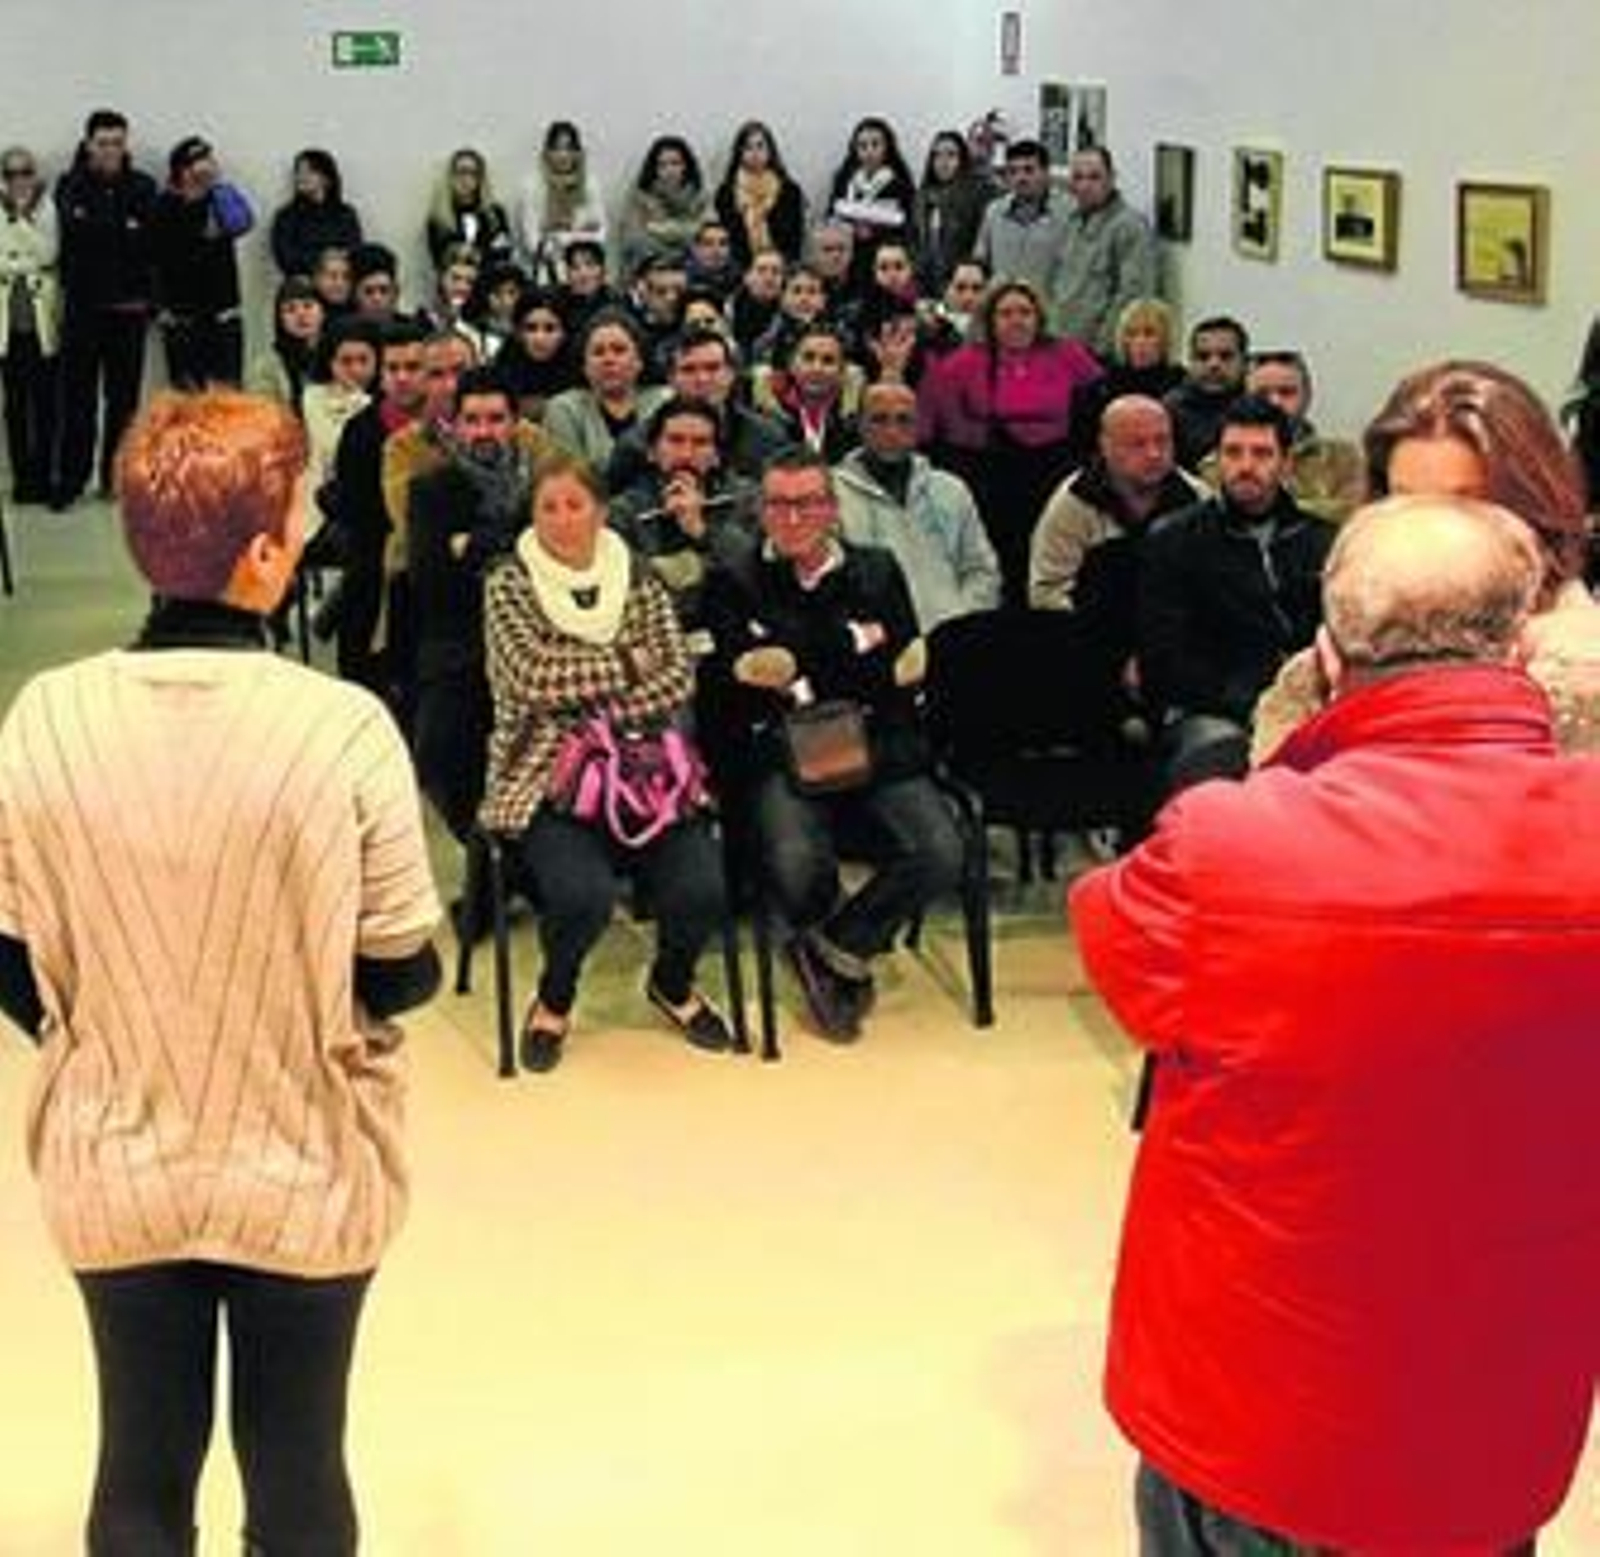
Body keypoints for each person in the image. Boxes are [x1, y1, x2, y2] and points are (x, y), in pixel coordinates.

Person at [1070, 494, 1600, 1557]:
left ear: (1322, 654)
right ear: (1523, 645)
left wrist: (1292, 755)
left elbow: (1110, 941)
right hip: (1488, 1421)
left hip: (1247, 1421)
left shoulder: (1228, 843)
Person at [0, 388, 441, 1556]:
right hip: (304, 1160)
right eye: (296, 512)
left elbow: (10, 962)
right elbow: (403, 972)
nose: (306, 528)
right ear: (261, 557)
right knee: (299, 1469)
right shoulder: (342, 727)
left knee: (138, 1474)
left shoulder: (44, 718)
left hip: (113, 1163)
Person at [480, 453, 734, 1072]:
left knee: (702, 886)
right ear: (532, 514)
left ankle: (671, 984)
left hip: (647, 766)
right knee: (581, 897)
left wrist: (590, 690)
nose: (564, 520)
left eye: (576, 505)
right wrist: (627, 665)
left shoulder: (638, 576)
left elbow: (675, 676)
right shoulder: (508, 583)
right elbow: (532, 677)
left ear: (599, 511)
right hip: (545, 772)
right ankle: (556, 996)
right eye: (549, 507)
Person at [700, 448, 964, 1042]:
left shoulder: (877, 569)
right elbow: (726, 688)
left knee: (941, 850)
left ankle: (836, 948)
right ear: (760, 511)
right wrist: (850, 645)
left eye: (807, 503)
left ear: (832, 508)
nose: (792, 518)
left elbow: (900, 669)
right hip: (779, 748)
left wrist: (798, 664)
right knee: (795, 863)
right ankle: (833, 949)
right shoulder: (731, 582)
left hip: (876, 737)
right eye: (778, 504)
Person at [1254, 358, 1600, 762]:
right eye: (1406, 502)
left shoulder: (1579, 672)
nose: (1425, 531)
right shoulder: (1327, 665)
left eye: (1462, 506)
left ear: (1527, 508)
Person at [1138, 395, 1332, 788]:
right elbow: (1165, 659)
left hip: (1309, 701)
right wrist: (1253, 701)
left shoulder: (1322, 542)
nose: (1246, 466)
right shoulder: (1174, 540)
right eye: (1233, 453)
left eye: (1262, 454)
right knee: (1221, 753)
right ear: (1217, 461)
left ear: (1286, 463)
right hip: (1210, 708)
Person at [407, 368, 538, 839]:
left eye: (496, 418)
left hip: (537, 642)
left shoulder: (544, 488)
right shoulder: (432, 490)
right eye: (473, 420)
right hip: (459, 641)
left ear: (516, 423)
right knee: (437, 755)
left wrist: (472, 545)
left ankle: (517, 867)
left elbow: (555, 559)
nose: (484, 431)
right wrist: (510, 547)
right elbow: (429, 578)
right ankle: (487, 861)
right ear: (456, 425)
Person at [918, 277, 1103, 606]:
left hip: (1054, 472)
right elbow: (934, 426)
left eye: (1025, 312)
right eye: (1005, 313)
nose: (1017, 320)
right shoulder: (963, 362)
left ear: (1039, 317)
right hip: (990, 478)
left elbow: (1096, 413)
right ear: (989, 320)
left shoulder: (1067, 354)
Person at [52, 108, 158, 508]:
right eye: (103, 143)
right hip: (82, 312)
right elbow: (75, 247)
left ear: (125, 144)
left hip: (128, 314)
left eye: (117, 142)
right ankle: (70, 480)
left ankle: (114, 480)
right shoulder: (70, 187)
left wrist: (148, 302)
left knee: (124, 401)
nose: (111, 150)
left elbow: (151, 253)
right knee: (77, 400)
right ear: (89, 144)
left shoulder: (143, 188)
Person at [834, 379, 1001, 632]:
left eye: (904, 420)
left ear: (918, 426)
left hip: (955, 641)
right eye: (879, 419)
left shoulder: (952, 489)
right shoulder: (830, 494)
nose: (892, 432)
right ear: (859, 425)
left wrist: (959, 626)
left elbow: (982, 571)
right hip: (876, 650)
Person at [1030, 394, 1207, 622]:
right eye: (1137, 443)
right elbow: (1047, 591)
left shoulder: (1199, 498)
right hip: (1090, 636)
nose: (1154, 454)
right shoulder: (1072, 502)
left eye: (1162, 441)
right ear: (1105, 446)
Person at [608, 394, 759, 634]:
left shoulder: (747, 498)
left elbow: (758, 574)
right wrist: (702, 566)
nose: (686, 454)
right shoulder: (623, 511)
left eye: (700, 443)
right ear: (652, 451)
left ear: (716, 456)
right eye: (675, 441)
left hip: (734, 632)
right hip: (652, 633)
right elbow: (624, 589)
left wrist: (701, 529)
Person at [1199, 349, 1364, 523]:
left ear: (1307, 397)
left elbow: (1354, 518)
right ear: (1245, 397)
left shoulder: (1342, 459)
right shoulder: (1214, 466)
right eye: (1262, 393)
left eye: (1286, 392)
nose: (1275, 401)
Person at [149, 135, 254, 389]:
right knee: (187, 401)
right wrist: (159, 307)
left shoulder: (221, 198)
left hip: (223, 316)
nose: (208, 166)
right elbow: (153, 259)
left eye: (209, 159)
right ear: (183, 170)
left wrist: (218, 193)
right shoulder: (164, 206)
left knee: (228, 400)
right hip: (182, 319)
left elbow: (243, 222)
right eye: (200, 161)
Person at [1051, 145, 1157, 358]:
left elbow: (1133, 297)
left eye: (1094, 177)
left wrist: (1101, 347)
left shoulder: (1129, 227)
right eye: (1078, 177)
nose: (1085, 185)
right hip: (1063, 345)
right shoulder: (1070, 221)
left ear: (1111, 178)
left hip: (1100, 353)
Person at [0, 144, 60, 504]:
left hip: (42, 326)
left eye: (25, 172)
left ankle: (43, 476)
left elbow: (49, 253)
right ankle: (23, 478)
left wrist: (19, 222)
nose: (19, 180)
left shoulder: (49, 208)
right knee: (15, 406)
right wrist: (24, 258)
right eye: (11, 174)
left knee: (46, 405)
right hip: (8, 327)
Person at [542, 307, 669, 471]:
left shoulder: (665, 402)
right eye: (598, 352)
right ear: (585, 367)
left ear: (639, 361)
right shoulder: (564, 409)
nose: (608, 360)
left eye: (619, 350)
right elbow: (570, 477)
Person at [972, 139, 1070, 302]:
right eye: (1013, 171)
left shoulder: (1068, 213)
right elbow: (980, 262)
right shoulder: (994, 211)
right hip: (1001, 311)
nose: (1020, 178)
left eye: (1029, 170)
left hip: (1048, 313)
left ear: (1046, 173)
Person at [826, 117, 917, 291]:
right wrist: (850, 229)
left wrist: (874, 231)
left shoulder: (899, 183)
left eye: (875, 144)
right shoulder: (844, 180)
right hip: (849, 260)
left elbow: (908, 226)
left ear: (887, 147)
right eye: (863, 145)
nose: (869, 151)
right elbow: (831, 217)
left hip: (885, 263)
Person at [517, 120, 607, 287]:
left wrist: (557, 232)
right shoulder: (533, 187)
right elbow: (533, 244)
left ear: (578, 153)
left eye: (569, 148)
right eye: (557, 148)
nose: (563, 155)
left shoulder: (590, 184)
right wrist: (580, 230)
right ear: (547, 153)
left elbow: (600, 237)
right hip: (548, 275)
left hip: (588, 274)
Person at [713, 120, 806, 268]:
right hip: (738, 270)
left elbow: (796, 241)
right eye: (748, 147)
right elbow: (726, 240)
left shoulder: (789, 191)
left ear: (770, 151)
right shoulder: (726, 193)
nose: (755, 153)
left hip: (781, 268)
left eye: (760, 146)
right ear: (739, 152)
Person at [913, 129, 996, 295]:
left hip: (964, 284)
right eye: (937, 155)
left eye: (951, 155)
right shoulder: (922, 196)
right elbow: (916, 241)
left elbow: (982, 246)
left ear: (963, 159)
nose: (943, 162)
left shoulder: (977, 194)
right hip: (926, 284)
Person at [1164, 315, 1250, 471]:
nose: (1214, 364)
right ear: (1190, 361)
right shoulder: (1167, 412)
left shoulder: (1259, 408)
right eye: (1203, 357)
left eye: (1226, 356)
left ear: (1244, 362)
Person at [618, 134, 710, 275]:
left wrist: (660, 230)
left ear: (686, 166)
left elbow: (708, 237)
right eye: (662, 165)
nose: (670, 170)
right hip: (649, 274)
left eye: (675, 163)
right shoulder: (639, 198)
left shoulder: (701, 197)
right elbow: (633, 241)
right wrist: (685, 237)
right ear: (654, 169)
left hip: (693, 275)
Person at [268, 148, 362, 279]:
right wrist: (323, 257)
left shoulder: (345, 214)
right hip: (303, 284)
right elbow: (286, 259)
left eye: (309, 172)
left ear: (326, 179)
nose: (301, 177)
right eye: (298, 172)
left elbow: (355, 252)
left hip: (339, 283)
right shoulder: (286, 216)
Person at [244, 272, 324, 413]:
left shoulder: (337, 354)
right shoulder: (265, 367)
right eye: (290, 309)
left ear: (322, 313)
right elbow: (263, 416)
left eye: (308, 306)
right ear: (280, 319)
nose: (301, 314)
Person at [424, 146, 513, 273]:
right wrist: (481, 253)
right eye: (461, 172)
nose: (466, 179)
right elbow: (441, 261)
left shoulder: (495, 214)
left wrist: (471, 254)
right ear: (451, 176)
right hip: (454, 287)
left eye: (473, 173)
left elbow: (503, 253)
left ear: (480, 179)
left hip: (489, 283)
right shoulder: (439, 218)